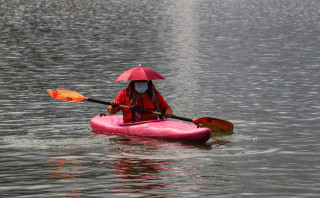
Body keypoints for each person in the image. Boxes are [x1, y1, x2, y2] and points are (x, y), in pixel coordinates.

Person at [108, 80, 173, 123]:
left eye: (143, 81)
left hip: (151, 125)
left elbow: (166, 107)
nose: (141, 83)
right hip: (130, 125)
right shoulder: (124, 94)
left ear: (147, 82)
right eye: (138, 81)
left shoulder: (154, 95)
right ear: (133, 82)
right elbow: (111, 111)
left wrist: (168, 111)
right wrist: (113, 107)